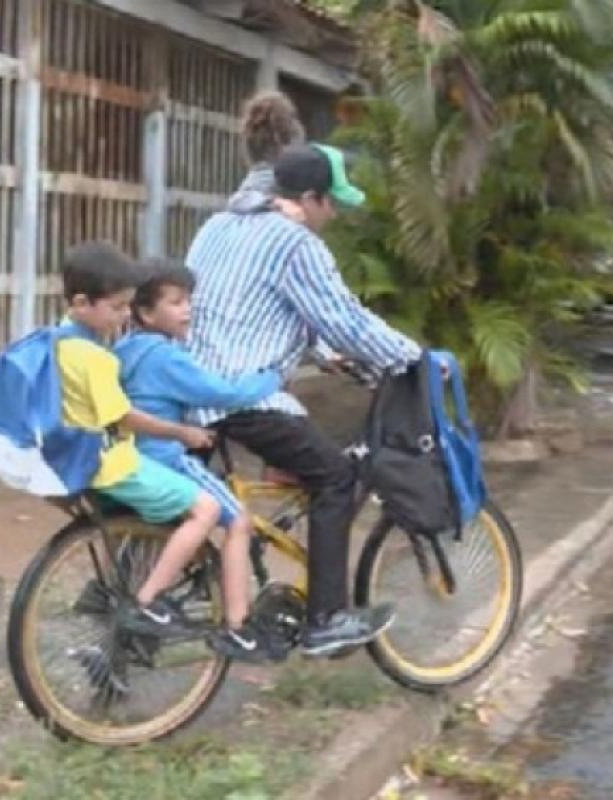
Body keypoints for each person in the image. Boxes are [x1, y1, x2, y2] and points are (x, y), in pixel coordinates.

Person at [185, 143, 423, 657]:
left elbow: (251, 306)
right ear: (309, 198)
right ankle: (326, 619)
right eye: (331, 202)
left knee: (194, 500)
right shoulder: (296, 243)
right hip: (238, 395)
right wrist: (412, 359)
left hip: (185, 390)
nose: (333, 214)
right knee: (336, 477)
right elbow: (346, 318)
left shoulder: (219, 226)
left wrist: (323, 351)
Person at [54, 241, 222, 641]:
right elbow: (123, 416)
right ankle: (149, 603)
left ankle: (107, 596)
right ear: (81, 302)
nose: (123, 316)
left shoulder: (59, 337)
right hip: (109, 463)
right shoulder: (94, 357)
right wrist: (182, 432)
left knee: (145, 528)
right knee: (206, 509)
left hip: (73, 458)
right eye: (116, 308)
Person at [114, 260, 282, 660]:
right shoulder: (165, 357)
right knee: (237, 520)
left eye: (188, 300)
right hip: (164, 458)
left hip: (128, 454)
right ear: (146, 312)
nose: (187, 309)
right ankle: (237, 626)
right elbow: (221, 392)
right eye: (175, 302)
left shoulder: (127, 348)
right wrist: (271, 378)